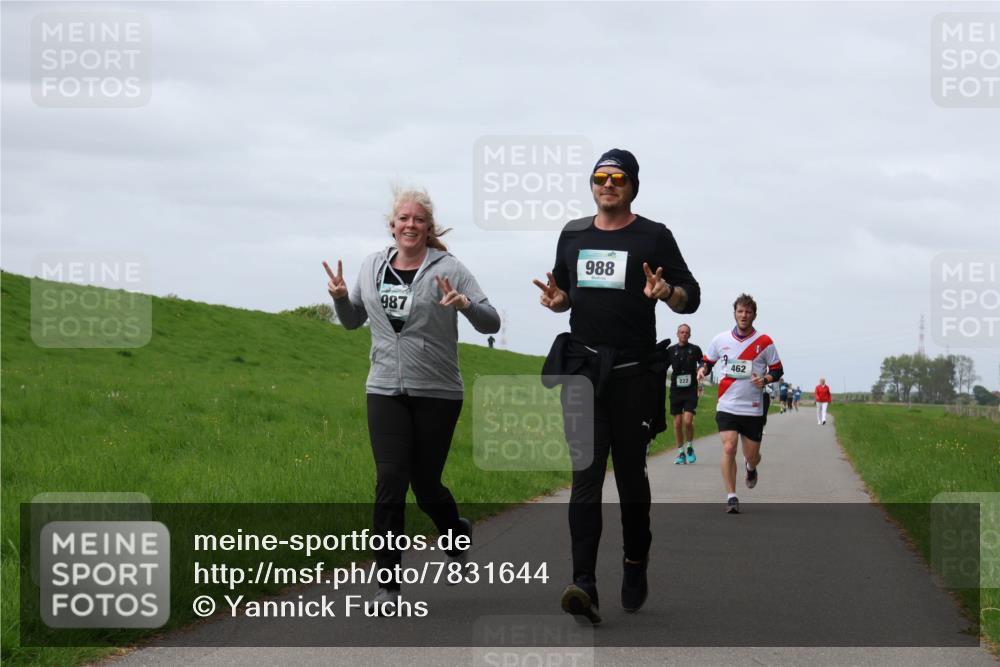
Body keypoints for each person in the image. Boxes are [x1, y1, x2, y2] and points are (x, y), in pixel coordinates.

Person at [534, 148, 700, 624]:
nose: (608, 184)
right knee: (585, 476)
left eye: (618, 178)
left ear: (632, 186)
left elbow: (691, 297)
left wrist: (666, 293)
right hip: (585, 372)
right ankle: (583, 583)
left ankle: (634, 561)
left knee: (629, 477)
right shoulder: (573, 234)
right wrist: (559, 300)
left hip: (633, 375)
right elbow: (567, 292)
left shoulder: (654, 236)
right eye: (601, 176)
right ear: (592, 184)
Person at [325, 187, 501, 610]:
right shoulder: (372, 266)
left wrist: (464, 304)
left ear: (428, 227)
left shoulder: (450, 268)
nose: (410, 225)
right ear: (392, 225)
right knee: (390, 482)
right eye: (403, 218)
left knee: (425, 487)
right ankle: (388, 586)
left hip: (438, 392)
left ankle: (456, 532)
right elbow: (352, 321)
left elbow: (491, 321)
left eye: (418, 219)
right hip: (384, 388)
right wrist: (339, 298)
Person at [697, 294, 783, 514]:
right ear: (734, 313)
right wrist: (702, 370)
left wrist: (765, 379)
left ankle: (751, 467)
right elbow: (708, 361)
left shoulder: (765, 342)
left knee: (752, 455)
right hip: (727, 404)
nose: (744, 315)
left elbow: (777, 370)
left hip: (753, 407)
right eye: (740, 311)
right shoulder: (720, 340)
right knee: (729, 447)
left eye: (748, 312)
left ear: (754, 315)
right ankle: (731, 496)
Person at [665, 323, 703, 465]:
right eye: (681, 332)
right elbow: (663, 365)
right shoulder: (671, 350)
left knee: (687, 421)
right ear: (677, 334)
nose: (684, 334)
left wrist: (701, 371)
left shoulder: (695, 349)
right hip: (676, 390)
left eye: (686, 332)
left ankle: (690, 447)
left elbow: (702, 363)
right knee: (677, 423)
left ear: (690, 335)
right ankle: (681, 452)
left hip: (690, 389)